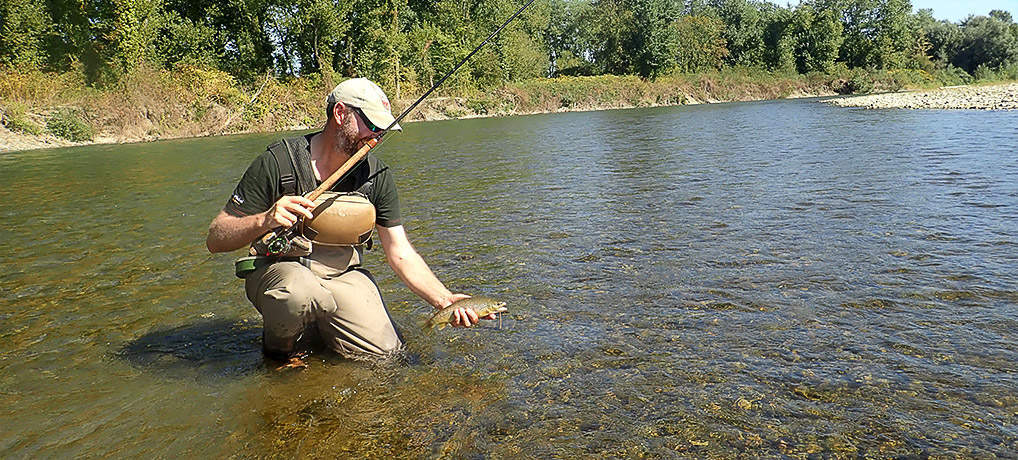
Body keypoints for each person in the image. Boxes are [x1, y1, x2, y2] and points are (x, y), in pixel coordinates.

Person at [205, 77, 493, 361]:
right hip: (281, 274)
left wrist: (443, 300)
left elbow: (400, 253)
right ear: (340, 113)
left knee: (386, 355)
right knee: (296, 293)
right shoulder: (278, 162)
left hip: (343, 276)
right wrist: (264, 220)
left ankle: (321, 328)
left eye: (383, 130)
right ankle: (280, 353)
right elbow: (216, 238)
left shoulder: (377, 177)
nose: (377, 137)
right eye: (372, 125)